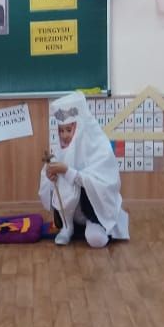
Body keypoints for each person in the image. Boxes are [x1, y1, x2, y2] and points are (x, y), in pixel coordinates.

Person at [39, 91, 129, 248]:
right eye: (61, 130)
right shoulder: (61, 150)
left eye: (69, 130)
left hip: (93, 211)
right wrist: (50, 176)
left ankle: (93, 225)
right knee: (59, 180)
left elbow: (104, 184)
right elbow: (48, 183)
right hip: (71, 213)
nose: (64, 136)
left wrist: (68, 171)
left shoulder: (100, 148)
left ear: (80, 128)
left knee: (96, 239)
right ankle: (67, 226)